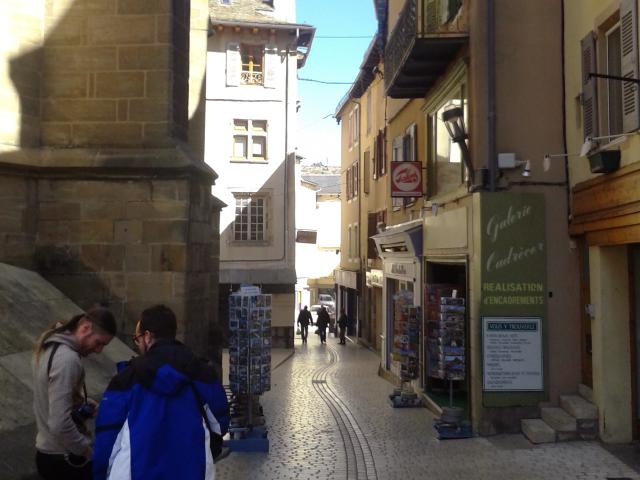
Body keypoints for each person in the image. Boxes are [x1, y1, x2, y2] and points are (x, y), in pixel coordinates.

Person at [93, 305, 230, 480]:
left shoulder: (127, 379)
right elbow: (220, 424)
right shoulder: (202, 373)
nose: (138, 344)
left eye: (138, 339)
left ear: (148, 337)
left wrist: (100, 473)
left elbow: (108, 435)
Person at [33, 306, 117, 480]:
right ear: (85, 327)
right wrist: (86, 450)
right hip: (63, 459)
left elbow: (50, 401)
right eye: (99, 342)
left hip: (49, 454)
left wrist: (79, 403)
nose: (99, 350)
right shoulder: (68, 360)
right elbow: (58, 423)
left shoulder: (51, 347)